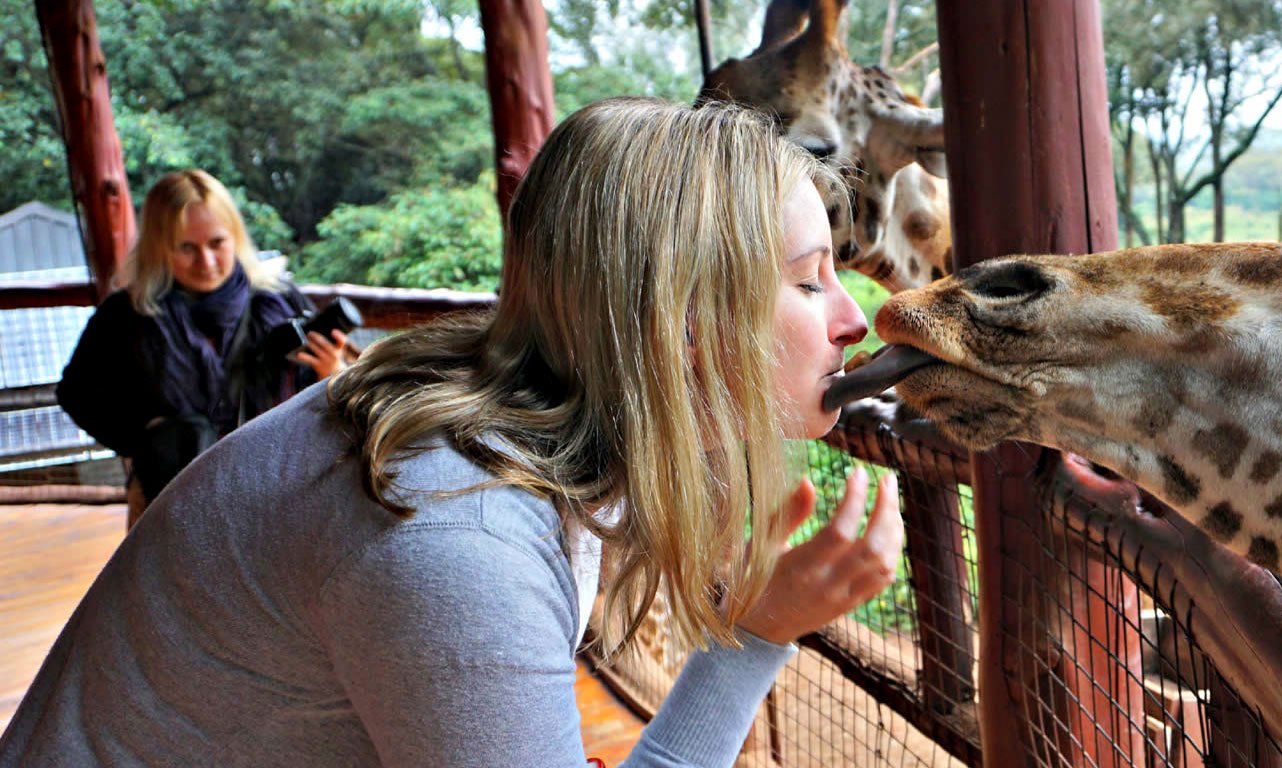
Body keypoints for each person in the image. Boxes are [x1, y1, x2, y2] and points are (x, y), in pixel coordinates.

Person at [0, 97, 903, 767]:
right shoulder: (458, 529)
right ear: (684, 321)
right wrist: (755, 637)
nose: (856, 322)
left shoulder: (530, 420)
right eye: (811, 279)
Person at [55, 169, 356, 524]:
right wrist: (148, 437)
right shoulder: (127, 314)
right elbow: (77, 394)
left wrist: (332, 372)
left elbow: (329, 396)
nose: (207, 262)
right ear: (158, 246)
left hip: (278, 491)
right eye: (187, 247)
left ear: (236, 237)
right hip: (171, 501)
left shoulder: (277, 299)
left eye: (217, 243)